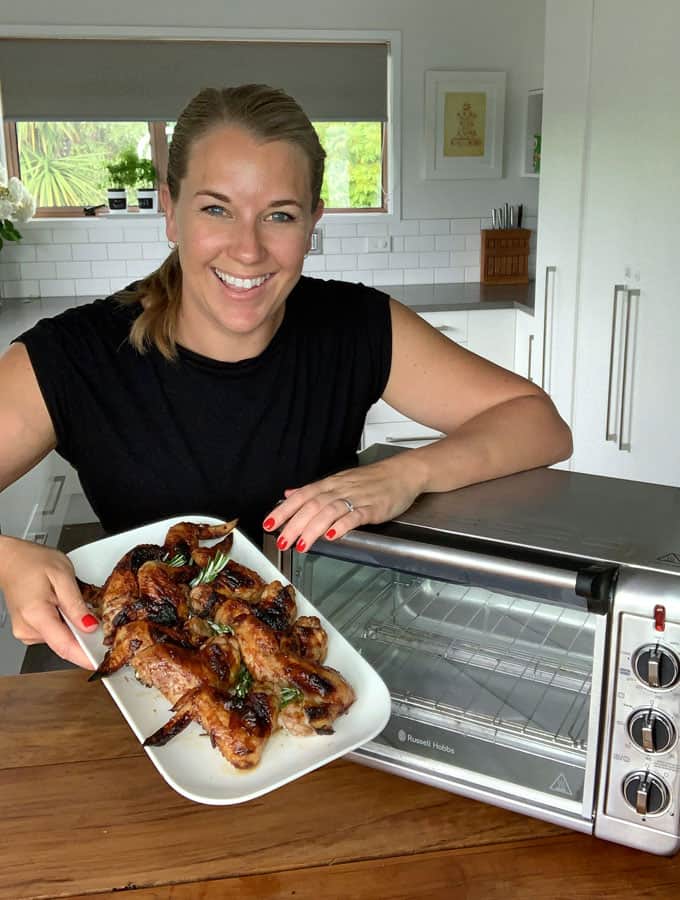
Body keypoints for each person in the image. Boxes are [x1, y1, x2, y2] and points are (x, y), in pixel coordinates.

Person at [0, 84, 572, 670]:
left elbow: (539, 423)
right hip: (153, 671)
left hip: (326, 657)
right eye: (216, 209)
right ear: (171, 211)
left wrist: (408, 472)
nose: (248, 250)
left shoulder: (355, 326)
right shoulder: (75, 355)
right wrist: (5, 559)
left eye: (279, 215)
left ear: (313, 222)